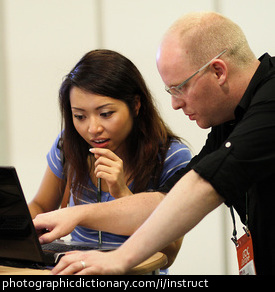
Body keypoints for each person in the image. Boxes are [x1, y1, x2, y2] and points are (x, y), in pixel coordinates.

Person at [48, 12, 275, 275]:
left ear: (218, 71)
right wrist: (76, 215)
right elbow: (165, 198)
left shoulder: (269, 103)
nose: (175, 103)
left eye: (180, 87)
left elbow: (206, 183)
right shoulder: (231, 119)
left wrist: (120, 258)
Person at [30, 49, 192, 272]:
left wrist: (123, 194)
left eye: (106, 114)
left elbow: (169, 253)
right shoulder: (69, 144)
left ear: (136, 105)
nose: (93, 129)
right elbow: (40, 205)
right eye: (80, 116)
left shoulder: (170, 156)